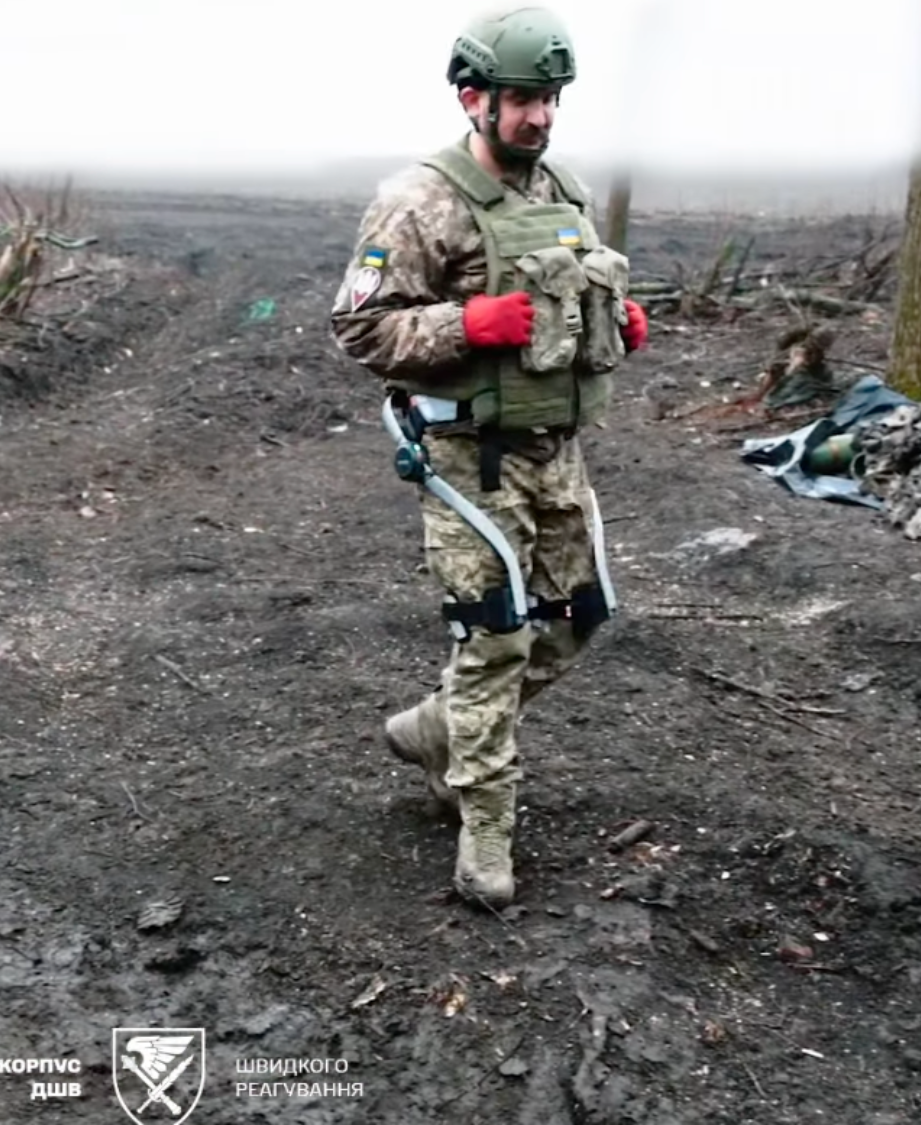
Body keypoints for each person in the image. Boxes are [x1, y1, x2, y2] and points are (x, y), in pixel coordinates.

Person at [327, 5, 648, 909]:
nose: (539, 117)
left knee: (579, 615)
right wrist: (463, 323)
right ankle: (484, 827)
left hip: (555, 448)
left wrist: (613, 327)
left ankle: (438, 727)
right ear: (474, 98)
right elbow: (358, 325)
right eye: (521, 99)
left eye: (550, 98)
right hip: (466, 454)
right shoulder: (418, 203)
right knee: (494, 637)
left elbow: (573, 298)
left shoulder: (564, 195)